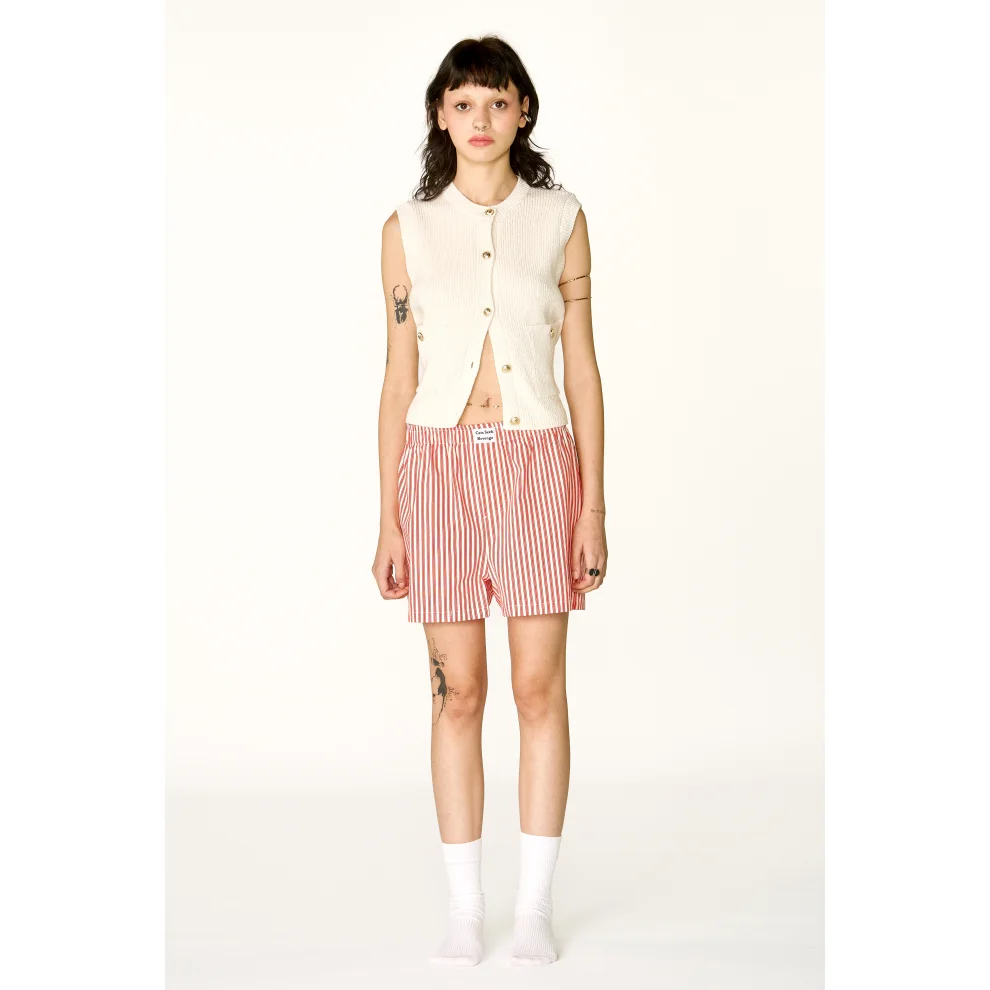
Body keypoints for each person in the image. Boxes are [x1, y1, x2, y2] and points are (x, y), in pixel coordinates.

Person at [372, 35, 607, 967]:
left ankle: (534, 909)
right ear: (441, 114)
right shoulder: (405, 228)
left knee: (538, 686)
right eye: (464, 103)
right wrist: (388, 516)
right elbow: (398, 378)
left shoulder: (562, 219)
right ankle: (466, 911)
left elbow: (581, 369)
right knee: (456, 692)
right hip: (436, 469)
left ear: (523, 112)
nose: (481, 120)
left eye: (498, 102)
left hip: (539, 462)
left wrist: (592, 505)